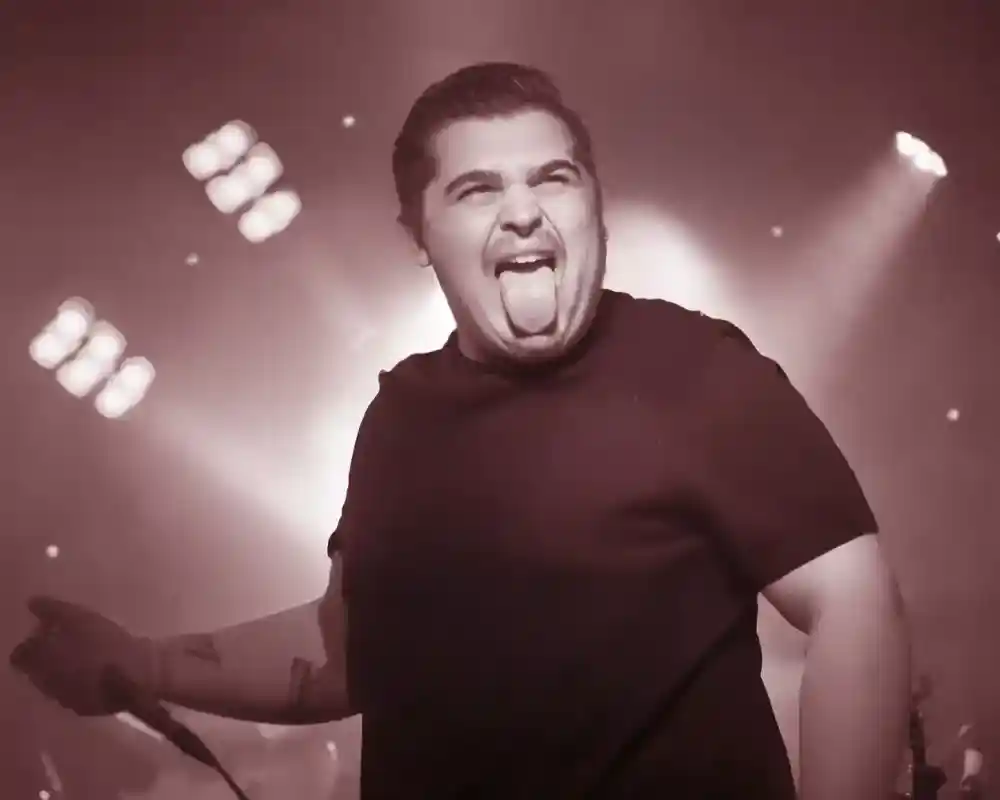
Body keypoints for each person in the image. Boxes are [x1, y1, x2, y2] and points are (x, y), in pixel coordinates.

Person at [10, 62, 911, 799]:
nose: (524, 211)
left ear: (594, 205)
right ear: (423, 236)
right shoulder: (399, 416)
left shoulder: (696, 369)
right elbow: (350, 651)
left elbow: (853, 600)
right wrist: (143, 662)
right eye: (478, 189)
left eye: (553, 177)